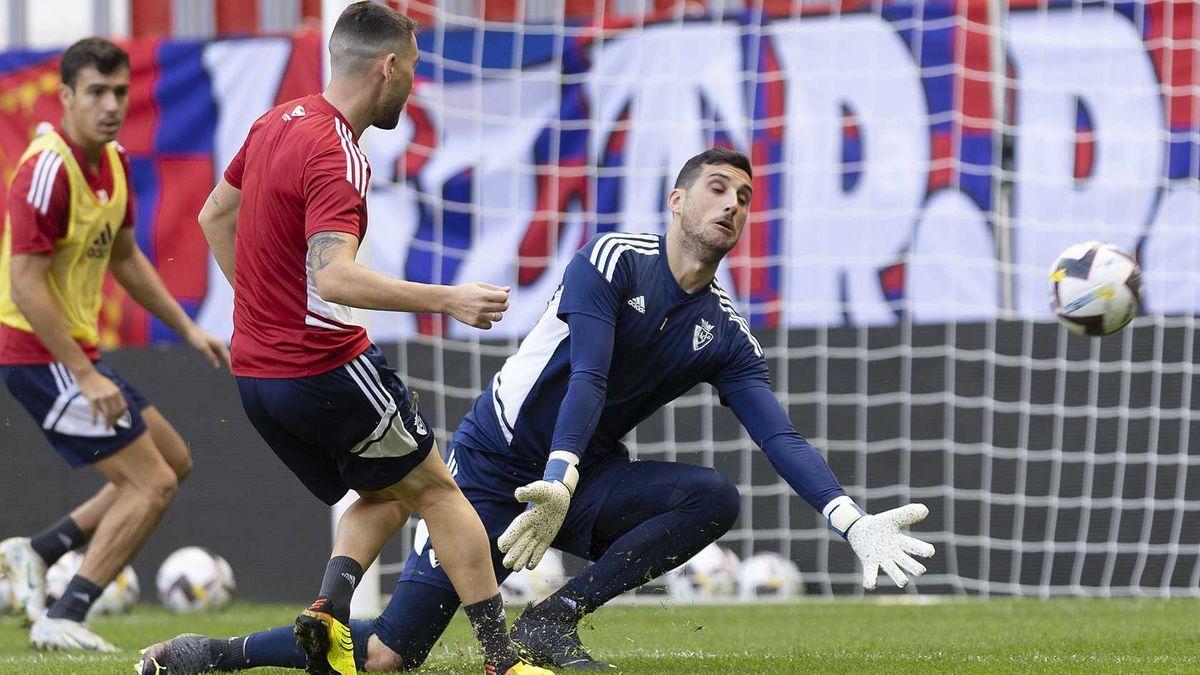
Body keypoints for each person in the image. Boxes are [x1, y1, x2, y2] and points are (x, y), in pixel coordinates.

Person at [139, 148, 933, 673]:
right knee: (383, 659)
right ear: (678, 199)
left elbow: (777, 432)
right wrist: (555, 473)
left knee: (713, 496)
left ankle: (553, 620)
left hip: (578, 477)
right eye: (718, 189)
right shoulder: (612, 258)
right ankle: (218, 652)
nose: (732, 205)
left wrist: (849, 518)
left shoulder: (723, 330)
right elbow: (587, 373)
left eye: (746, 197)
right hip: (486, 475)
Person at [161, 4, 549, 675]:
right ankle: (504, 661)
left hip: (257, 378)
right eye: (414, 69)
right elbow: (335, 277)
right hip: (321, 367)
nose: (415, 84)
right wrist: (446, 298)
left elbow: (214, 213)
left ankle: (326, 607)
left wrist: (260, 307)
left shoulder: (275, 122)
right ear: (388, 67)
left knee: (382, 491)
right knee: (439, 492)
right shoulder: (339, 152)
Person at [0, 37, 229, 652]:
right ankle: (66, 611)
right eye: (96, 92)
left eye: (120, 92)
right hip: (37, 355)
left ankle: (38, 552)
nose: (110, 105)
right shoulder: (47, 171)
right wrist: (86, 374)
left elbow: (125, 258)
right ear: (66, 96)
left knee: (172, 462)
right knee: (149, 483)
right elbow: (24, 285)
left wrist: (187, 328)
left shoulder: (116, 162)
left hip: (74, 355)